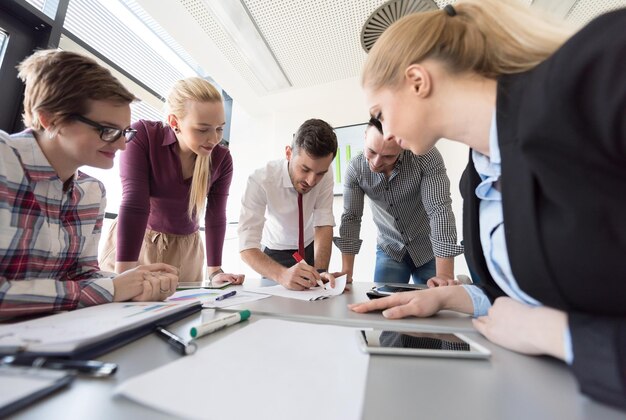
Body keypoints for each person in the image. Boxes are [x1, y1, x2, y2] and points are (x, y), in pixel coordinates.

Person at [349, 0, 626, 410]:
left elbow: (539, 315)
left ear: (417, 80)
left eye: (379, 113)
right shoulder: (477, 176)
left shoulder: (597, 70)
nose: (384, 132)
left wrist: (555, 334)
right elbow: (522, 292)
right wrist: (454, 298)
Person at [0, 50, 179, 318]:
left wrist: (136, 283)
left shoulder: (91, 192)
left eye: (125, 132)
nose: (120, 145)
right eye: (107, 130)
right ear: (51, 119)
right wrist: (113, 289)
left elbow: (80, 276)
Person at [99, 77, 244, 285]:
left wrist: (214, 272)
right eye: (203, 129)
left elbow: (215, 215)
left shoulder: (221, 159)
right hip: (136, 243)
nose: (214, 139)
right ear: (175, 122)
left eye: (220, 128)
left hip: (187, 252)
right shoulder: (143, 136)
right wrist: (125, 276)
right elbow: (134, 203)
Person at [334, 117, 463, 285]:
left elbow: (439, 210)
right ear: (365, 136)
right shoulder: (355, 169)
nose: (376, 162)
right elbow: (351, 217)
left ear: (403, 144)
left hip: (428, 249)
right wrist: (346, 273)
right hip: (389, 249)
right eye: (371, 151)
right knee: (383, 303)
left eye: (388, 156)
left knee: (435, 305)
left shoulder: (425, 156)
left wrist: (445, 276)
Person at [238, 119, 337, 290]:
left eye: (320, 173)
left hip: (310, 248)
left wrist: (321, 270)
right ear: (289, 153)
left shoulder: (326, 175)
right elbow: (247, 245)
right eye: (305, 169)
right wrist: (281, 275)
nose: (312, 181)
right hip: (274, 254)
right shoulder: (260, 180)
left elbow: (323, 223)